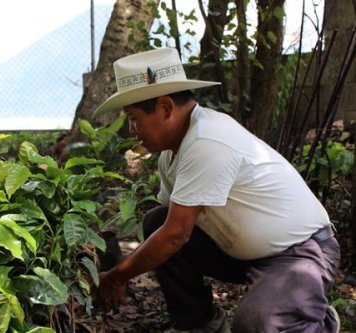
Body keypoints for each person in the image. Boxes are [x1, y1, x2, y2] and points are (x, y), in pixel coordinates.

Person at [92, 48, 341, 333]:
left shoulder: (206, 140)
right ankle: (199, 324)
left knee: (258, 324)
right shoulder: (171, 154)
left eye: (134, 118)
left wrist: (116, 277)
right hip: (244, 254)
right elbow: (171, 229)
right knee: (157, 221)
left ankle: (316, 322)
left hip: (300, 253)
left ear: (165, 108)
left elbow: (176, 235)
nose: (132, 130)